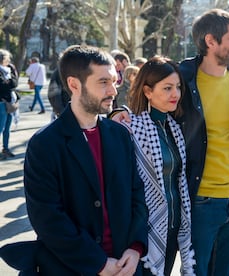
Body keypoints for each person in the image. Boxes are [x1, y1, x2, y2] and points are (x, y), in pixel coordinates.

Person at [23, 45, 148, 275]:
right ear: (74, 84)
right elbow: (48, 218)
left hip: (126, 265)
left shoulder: (120, 134)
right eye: (103, 82)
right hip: (72, 268)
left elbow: (137, 194)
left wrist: (135, 248)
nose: (113, 90)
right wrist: (98, 263)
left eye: (114, 80)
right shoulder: (44, 144)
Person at [177, 9, 229, 276]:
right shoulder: (181, 77)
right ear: (210, 41)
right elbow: (149, 107)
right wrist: (119, 113)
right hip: (201, 203)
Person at [121, 56, 195, 276]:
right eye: (167, 88)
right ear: (147, 91)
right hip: (142, 230)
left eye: (178, 87)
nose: (176, 94)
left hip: (172, 226)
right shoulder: (130, 128)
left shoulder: (174, 127)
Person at [0, 49, 18, 160]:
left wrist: (8, 82)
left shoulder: (10, 68)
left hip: (10, 102)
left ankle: (5, 149)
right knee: (0, 128)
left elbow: (14, 83)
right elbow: (2, 86)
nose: (9, 60)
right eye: (7, 58)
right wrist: (8, 83)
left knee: (7, 128)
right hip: (1, 103)